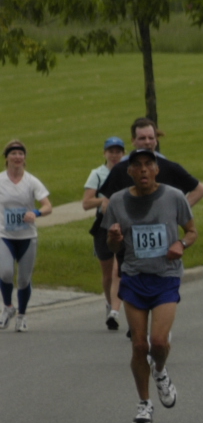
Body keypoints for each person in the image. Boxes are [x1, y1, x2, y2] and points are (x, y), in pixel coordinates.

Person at [105, 148, 197, 423]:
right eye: (137, 166)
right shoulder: (117, 202)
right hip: (134, 277)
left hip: (166, 277)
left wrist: (181, 244)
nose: (143, 170)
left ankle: (160, 371)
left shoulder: (174, 197)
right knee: (138, 345)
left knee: (158, 342)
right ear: (130, 172)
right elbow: (113, 246)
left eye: (148, 164)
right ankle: (144, 403)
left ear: (156, 169)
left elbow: (192, 231)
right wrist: (113, 238)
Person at [93, 118, 203, 331]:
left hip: (164, 261)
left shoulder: (167, 167)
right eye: (141, 138)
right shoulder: (122, 169)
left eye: (150, 138)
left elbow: (199, 190)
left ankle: (141, 324)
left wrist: (177, 213)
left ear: (157, 140)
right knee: (120, 269)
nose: (147, 142)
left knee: (158, 340)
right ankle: (118, 312)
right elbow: (106, 201)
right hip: (129, 246)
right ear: (133, 141)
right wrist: (114, 227)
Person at [0, 140, 51, 333]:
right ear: (7, 158)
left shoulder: (31, 181)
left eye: (20, 154)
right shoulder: (1, 180)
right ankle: (7, 307)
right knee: (5, 273)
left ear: (24, 158)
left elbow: (48, 206)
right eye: (13, 153)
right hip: (4, 234)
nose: (17, 157)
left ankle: (22, 315)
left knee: (23, 280)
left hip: (27, 236)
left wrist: (36, 213)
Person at [82, 136, 127, 329]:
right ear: (105, 153)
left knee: (119, 270)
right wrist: (103, 201)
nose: (114, 155)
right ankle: (109, 304)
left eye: (118, 151)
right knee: (108, 273)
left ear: (123, 153)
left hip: (124, 225)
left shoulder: (127, 171)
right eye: (111, 151)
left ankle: (115, 311)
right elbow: (86, 202)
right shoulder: (98, 174)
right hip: (103, 225)